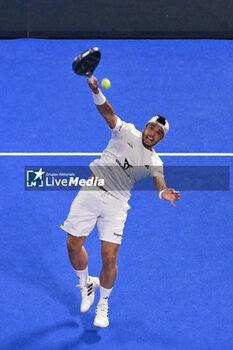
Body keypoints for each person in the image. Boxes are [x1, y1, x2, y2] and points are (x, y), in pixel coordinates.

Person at [60, 76, 180, 328]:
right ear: (145, 127)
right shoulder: (125, 130)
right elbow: (108, 112)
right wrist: (95, 91)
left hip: (116, 205)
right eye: (151, 128)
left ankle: (103, 303)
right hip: (91, 191)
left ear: (160, 140)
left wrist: (164, 192)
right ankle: (86, 285)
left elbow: (159, 180)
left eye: (158, 133)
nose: (153, 133)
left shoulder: (155, 161)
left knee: (109, 258)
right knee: (73, 245)